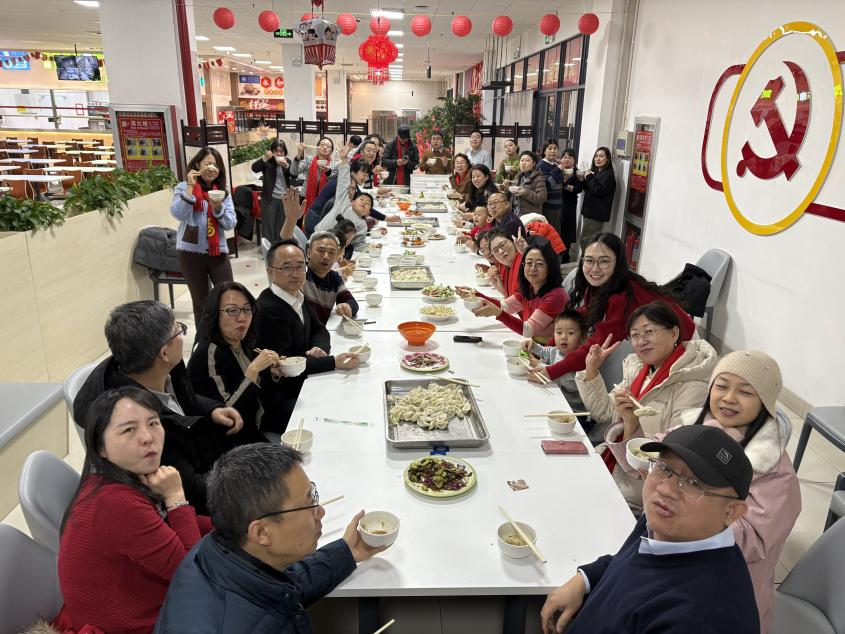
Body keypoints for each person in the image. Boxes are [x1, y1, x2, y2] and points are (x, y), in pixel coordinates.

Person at [541, 425, 759, 634]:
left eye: (693, 483)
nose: (665, 489)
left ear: (732, 512)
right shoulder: (666, 524)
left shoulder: (701, 619)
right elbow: (627, 561)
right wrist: (585, 579)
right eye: (664, 468)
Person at [155, 443, 389, 633]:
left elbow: (285, 585)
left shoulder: (222, 551)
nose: (320, 512)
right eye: (309, 503)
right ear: (261, 532)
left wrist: (347, 551)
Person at [74, 301, 263, 514]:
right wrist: (248, 480)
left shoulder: (146, 369)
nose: (182, 335)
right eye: (178, 330)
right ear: (164, 353)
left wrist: (211, 409)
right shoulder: (146, 429)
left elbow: (178, 394)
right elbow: (192, 490)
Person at [55, 387, 212, 634]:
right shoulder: (115, 503)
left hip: (143, 603)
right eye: (129, 429)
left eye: (153, 423)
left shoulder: (119, 477)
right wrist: (175, 497)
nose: (148, 437)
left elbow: (173, 530)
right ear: (101, 447)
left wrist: (233, 523)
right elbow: (193, 573)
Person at [668, 351, 799, 633]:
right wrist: (631, 432)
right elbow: (657, 455)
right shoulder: (697, 427)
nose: (729, 398)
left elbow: (755, 540)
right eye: (722, 386)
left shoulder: (773, 468)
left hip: (728, 585)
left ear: (764, 403)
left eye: (745, 392)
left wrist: (687, 518)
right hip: (677, 559)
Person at [574, 301, 718, 510]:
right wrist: (591, 370)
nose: (641, 341)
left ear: (674, 333)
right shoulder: (640, 369)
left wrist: (632, 424)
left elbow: (673, 458)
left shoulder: (693, 384)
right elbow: (603, 412)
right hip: (613, 464)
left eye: (649, 331)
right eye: (635, 335)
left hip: (641, 490)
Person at [531, 232, 696, 385]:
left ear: (618, 263)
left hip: (683, 347)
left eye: (604, 261)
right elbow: (578, 318)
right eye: (589, 260)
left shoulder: (622, 296)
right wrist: (544, 350)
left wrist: (551, 371)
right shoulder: (600, 284)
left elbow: (597, 346)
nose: (595, 268)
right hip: (659, 338)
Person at [256, 240, 360, 430]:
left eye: (299, 266)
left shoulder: (297, 296)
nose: (296, 273)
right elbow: (287, 367)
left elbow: (320, 329)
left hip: (303, 380)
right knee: (337, 413)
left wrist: (318, 348)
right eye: (287, 268)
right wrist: (332, 362)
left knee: (352, 393)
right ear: (270, 272)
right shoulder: (269, 310)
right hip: (280, 397)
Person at [187, 282, 284, 434]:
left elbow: (261, 393)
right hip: (232, 436)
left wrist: (272, 373)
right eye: (232, 311)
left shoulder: (243, 340)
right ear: (215, 314)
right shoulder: (207, 354)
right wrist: (253, 370)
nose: (242, 318)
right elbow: (229, 415)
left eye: (247, 309)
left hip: (259, 418)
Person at [170, 146, 236, 325]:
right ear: (198, 164)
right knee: (201, 303)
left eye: (216, 165)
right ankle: (204, 338)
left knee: (227, 296)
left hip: (217, 251)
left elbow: (230, 223)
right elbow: (178, 214)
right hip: (190, 253)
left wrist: (218, 207)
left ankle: (226, 333)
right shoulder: (184, 187)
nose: (211, 168)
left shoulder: (222, 192)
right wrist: (190, 188)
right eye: (207, 164)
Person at [473, 237, 567, 342]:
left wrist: (498, 313)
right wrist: (475, 294)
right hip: (534, 342)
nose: (533, 268)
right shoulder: (530, 286)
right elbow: (506, 306)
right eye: (529, 263)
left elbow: (528, 329)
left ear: (550, 266)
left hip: (550, 348)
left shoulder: (555, 296)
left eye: (539, 264)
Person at [522, 310, 588, 414]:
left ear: (583, 338)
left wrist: (540, 365)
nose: (563, 337)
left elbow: (569, 381)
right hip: (555, 399)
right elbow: (545, 351)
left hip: (574, 411)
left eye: (570, 333)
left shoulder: (581, 360)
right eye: (559, 332)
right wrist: (533, 346)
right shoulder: (557, 350)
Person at [313, 152, 375, 249]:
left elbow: (359, 245)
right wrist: (344, 159)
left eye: (368, 203)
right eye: (362, 199)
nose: (364, 202)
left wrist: (373, 247)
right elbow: (343, 182)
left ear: (368, 212)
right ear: (353, 202)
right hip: (319, 243)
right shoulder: (343, 203)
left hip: (336, 250)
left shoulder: (362, 225)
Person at [251, 139, 301, 246]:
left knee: (281, 226)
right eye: (276, 151)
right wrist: (264, 158)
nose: (279, 154)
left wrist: (286, 166)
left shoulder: (288, 162)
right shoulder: (268, 161)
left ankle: (279, 248)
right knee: (268, 226)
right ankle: (268, 249)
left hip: (284, 200)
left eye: (281, 151)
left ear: (285, 152)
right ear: (272, 152)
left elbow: (294, 175)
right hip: (269, 199)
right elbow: (254, 168)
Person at [304, 230, 359, 324]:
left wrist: (347, 306)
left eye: (331, 252)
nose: (326, 256)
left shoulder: (334, 277)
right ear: (309, 252)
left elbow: (351, 302)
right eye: (321, 251)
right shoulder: (301, 274)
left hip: (323, 329)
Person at [577, 146, 616, 251]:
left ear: (607, 159)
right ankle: (587, 260)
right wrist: (583, 180)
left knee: (587, 241)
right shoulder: (598, 172)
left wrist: (589, 177)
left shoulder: (608, 175)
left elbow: (598, 190)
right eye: (596, 156)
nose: (598, 159)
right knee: (587, 240)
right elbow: (590, 189)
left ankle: (587, 260)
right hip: (589, 213)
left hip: (595, 215)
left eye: (601, 156)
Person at [295, 137, 337, 219]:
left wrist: (328, 171)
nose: (325, 147)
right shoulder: (309, 160)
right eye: (322, 145)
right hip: (305, 198)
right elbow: (294, 172)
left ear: (331, 151)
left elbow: (334, 183)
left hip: (325, 200)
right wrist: (299, 153)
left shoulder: (334, 165)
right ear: (317, 148)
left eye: (328, 146)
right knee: (302, 223)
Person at [537, 140, 565, 233]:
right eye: (550, 148)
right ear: (544, 151)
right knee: (548, 234)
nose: (553, 151)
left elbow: (559, 185)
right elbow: (546, 186)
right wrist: (557, 170)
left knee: (556, 233)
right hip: (547, 206)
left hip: (558, 205)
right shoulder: (541, 166)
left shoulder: (557, 165)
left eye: (555, 148)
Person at [560, 148, 583, 258]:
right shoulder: (558, 170)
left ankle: (565, 255)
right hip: (557, 204)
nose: (566, 159)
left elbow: (578, 189)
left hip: (570, 205)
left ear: (574, 160)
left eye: (570, 157)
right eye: (564, 157)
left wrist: (564, 186)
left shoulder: (577, 173)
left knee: (567, 231)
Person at [511, 150, 548, 217]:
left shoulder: (538, 178)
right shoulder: (518, 176)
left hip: (529, 217)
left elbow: (542, 198)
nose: (523, 163)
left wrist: (525, 192)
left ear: (534, 163)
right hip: (515, 214)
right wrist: (507, 188)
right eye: (522, 160)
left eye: (527, 161)